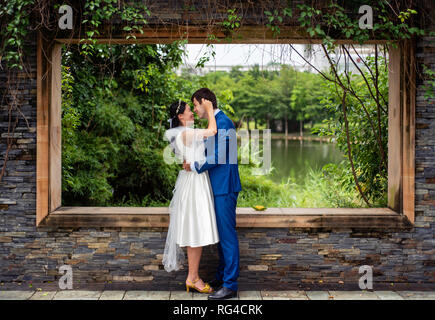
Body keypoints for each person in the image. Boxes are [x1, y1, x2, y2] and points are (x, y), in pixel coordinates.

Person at [183, 88, 242, 300]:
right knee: (220, 238)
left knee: (227, 236)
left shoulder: (224, 122)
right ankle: (222, 277)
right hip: (216, 186)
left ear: (206, 102)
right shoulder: (215, 124)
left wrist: (195, 166)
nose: (196, 109)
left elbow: (219, 156)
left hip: (225, 187)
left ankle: (230, 285)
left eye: (196, 104)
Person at [162, 98, 219, 294]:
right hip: (194, 184)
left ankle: (193, 276)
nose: (193, 113)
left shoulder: (184, 132)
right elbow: (212, 131)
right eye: (189, 110)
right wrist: (211, 110)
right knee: (195, 230)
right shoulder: (186, 133)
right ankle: (193, 277)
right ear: (180, 116)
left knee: (195, 230)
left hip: (194, 181)